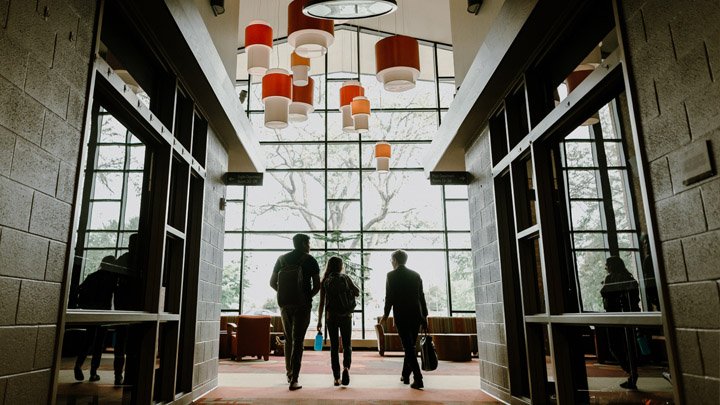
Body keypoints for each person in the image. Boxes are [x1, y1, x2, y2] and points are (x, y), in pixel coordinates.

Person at [270, 234, 321, 391]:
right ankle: (295, 379)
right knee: (298, 340)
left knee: (289, 339)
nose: (310, 245)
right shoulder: (310, 260)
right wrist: (306, 297)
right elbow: (317, 286)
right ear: (304, 243)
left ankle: (289, 373)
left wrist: (285, 295)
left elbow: (272, 283)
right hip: (302, 305)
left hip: (285, 305)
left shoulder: (281, 259)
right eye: (309, 242)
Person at [381, 250, 429, 390]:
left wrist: (385, 315)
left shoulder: (391, 276)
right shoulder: (415, 275)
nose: (391, 262)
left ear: (395, 260)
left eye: (391, 259)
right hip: (416, 315)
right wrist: (424, 316)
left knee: (408, 347)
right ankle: (405, 375)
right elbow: (421, 297)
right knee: (410, 346)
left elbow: (389, 297)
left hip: (401, 315)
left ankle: (418, 378)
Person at [316, 256, 360, 386]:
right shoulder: (345, 278)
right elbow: (357, 292)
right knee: (347, 345)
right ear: (341, 266)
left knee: (334, 347)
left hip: (332, 317)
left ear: (329, 266)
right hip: (346, 316)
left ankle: (336, 377)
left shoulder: (325, 281)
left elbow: (322, 303)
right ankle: (346, 367)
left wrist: (319, 321)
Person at [74, 255, 118, 382]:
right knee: (99, 344)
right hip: (103, 314)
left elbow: (79, 289)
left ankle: (78, 364)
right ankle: (93, 372)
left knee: (88, 341)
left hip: (92, 313)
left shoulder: (93, 276)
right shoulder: (112, 278)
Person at [600, 256, 640, 389]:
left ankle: (631, 372)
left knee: (615, 346)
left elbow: (604, 292)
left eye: (607, 265)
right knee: (628, 346)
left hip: (615, 317)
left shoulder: (610, 279)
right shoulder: (629, 278)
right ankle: (632, 373)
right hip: (628, 317)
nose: (605, 267)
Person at [113, 233, 141, 386]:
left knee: (121, 345)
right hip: (134, 309)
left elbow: (113, 283)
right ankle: (127, 376)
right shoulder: (144, 261)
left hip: (122, 308)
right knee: (131, 345)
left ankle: (119, 375)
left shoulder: (123, 259)